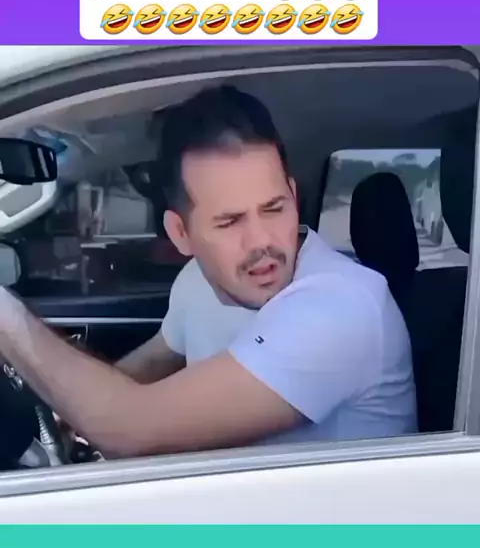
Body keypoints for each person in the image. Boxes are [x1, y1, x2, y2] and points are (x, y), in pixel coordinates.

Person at [0, 85, 417, 458]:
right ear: (181, 233)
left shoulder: (343, 306)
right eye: (230, 222)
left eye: (274, 209)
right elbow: (152, 362)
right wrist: (66, 415)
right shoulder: (196, 282)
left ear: (293, 196)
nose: (261, 241)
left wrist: (8, 319)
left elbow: (129, 428)